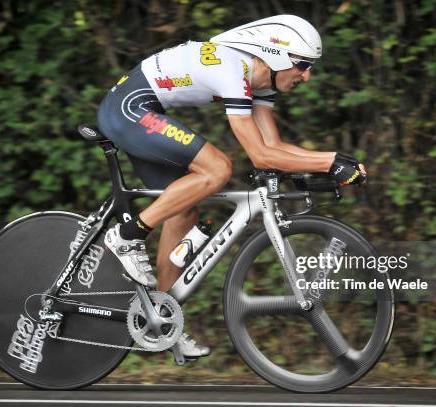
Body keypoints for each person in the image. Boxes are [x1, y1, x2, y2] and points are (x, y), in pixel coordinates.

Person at [96, 15, 366, 359]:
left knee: (184, 211)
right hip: (128, 109)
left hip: (140, 109)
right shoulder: (233, 70)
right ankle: (127, 235)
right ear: (278, 55)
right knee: (218, 167)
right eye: (302, 65)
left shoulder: (261, 83)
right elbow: (260, 155)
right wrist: (328, 163)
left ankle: (159, 321)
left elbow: (276, 148)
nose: (307, 75)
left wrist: (336, 160)